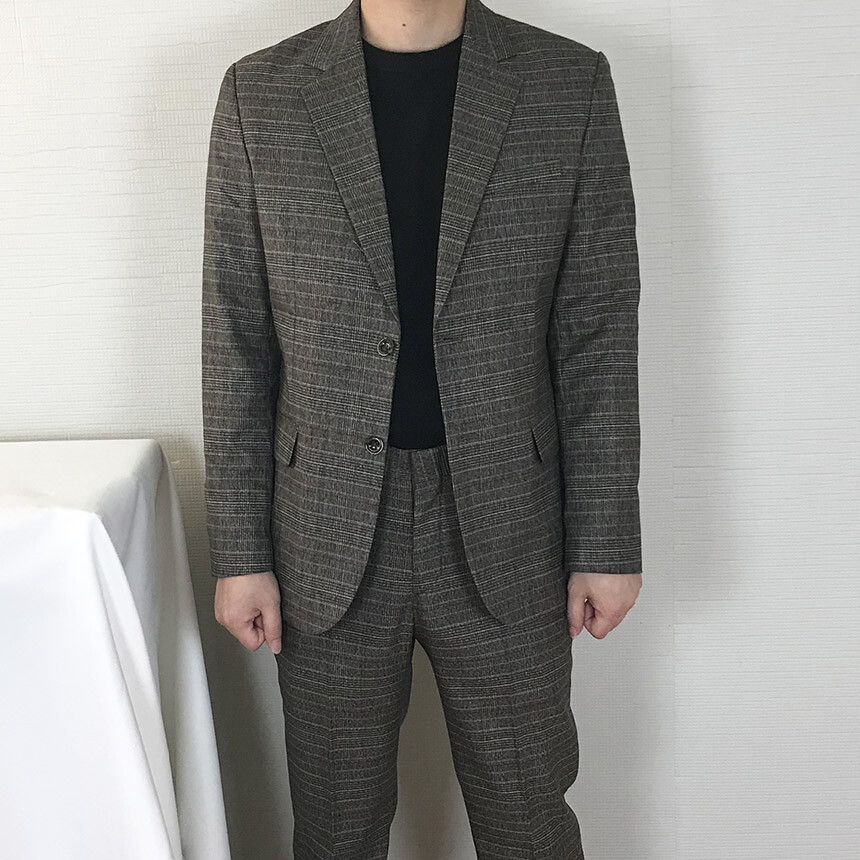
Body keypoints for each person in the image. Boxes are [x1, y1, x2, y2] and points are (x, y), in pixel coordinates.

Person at [201, 0, 643, 856]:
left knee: (530, 826)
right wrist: (240, 551)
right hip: (324, 533)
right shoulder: (261, 93)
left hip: (511, 525)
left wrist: (606, 538)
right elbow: (237, 338)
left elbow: (596, 329)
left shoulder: (568, 83)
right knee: (335, 832)